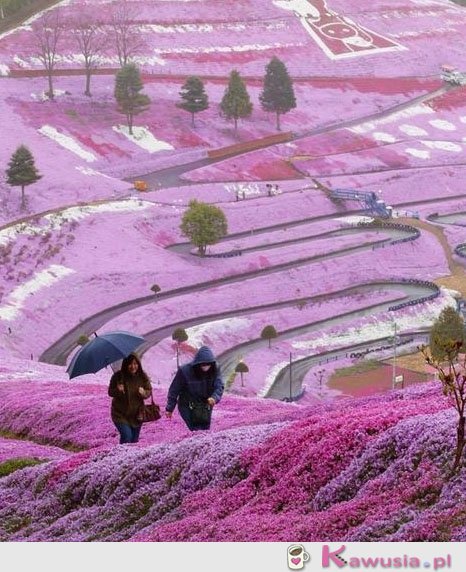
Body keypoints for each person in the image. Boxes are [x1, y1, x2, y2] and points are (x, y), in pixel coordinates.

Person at [165, 346, 224, 431]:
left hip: (205, 404)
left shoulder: (215, 368)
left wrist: (214, 397)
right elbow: (174, 389)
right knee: (195, 429)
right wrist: (169, 408)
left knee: (205, 429)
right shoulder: (185, 371)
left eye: (208, 364)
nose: (206, 366)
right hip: (188, 405)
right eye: (203, 364)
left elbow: (219, 385)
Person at [108, 353, 152, 444]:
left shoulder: (142, 376)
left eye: (135, 364)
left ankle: (128, 457)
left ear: (138, 365)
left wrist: (144, 393)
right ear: (125, 364)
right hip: (120, 414)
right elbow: (110, 392)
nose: (133, 366)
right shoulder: (118, 376)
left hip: (137, 415)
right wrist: (118, 390)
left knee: (134, 441)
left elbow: (149, 390)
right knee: (127, 437)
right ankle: (121, 456)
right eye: (130, 364)